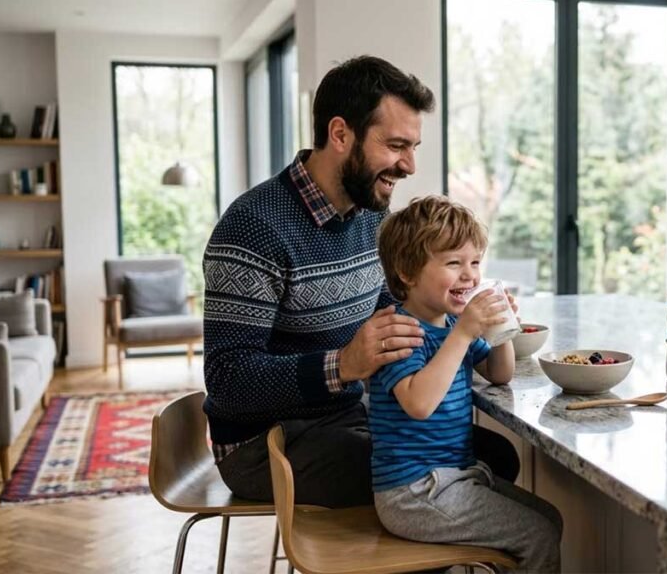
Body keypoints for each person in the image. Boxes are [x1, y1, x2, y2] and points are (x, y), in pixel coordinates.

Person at [202, 55, 518, 506]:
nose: (408, 165)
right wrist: (344, 364)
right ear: (340, 134)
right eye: (395, 146)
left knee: (494, 455)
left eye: (413, 147)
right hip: (266, 445)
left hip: (347, 416)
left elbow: (399, 310)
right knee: (433, 474)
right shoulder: (253, 227)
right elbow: (228, 378)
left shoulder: (372, 217)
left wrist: (463, 313)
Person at [371, 196, 562, 573]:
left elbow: (499, 372)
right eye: (454, 263)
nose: (470, 275)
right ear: (407, 272)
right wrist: (463, 333)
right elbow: (419, 404)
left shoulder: (449, 326)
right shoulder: (401, 331)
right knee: (537, 534)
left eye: (474, 262)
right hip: (414, 492)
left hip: (452, 478)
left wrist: (502, 327)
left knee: (550, 519)